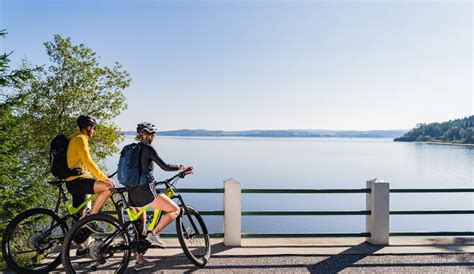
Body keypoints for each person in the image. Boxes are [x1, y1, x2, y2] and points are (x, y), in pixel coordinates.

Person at [129, 122, 190, 271]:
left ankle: (139, 261)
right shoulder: (148, 148)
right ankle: (154, 234)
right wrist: (180, 167)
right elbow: (164, 166)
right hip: (145, 191)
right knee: (175, 210)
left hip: (131, 191)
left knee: (139, 226)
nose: (154, 137)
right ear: (149, 135)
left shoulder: (132, 149)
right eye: (153, 135)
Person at [66, 115, 116, 255]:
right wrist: (103, 178)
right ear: (88, 128)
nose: (93, 131)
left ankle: (80, 248)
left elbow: (82, 163)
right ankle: (93, 219)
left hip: (72, 182)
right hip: (78, 181)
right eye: (93, 128)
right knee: (108, 188)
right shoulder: (81, 139)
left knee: (78, 216)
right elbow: (88, 161)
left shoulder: (73, 138)